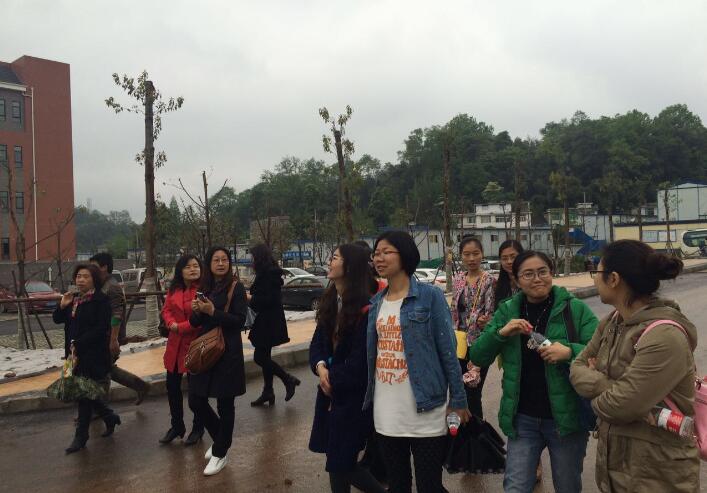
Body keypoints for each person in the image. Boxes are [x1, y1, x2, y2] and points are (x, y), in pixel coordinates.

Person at [570, 240, 700, 492]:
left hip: (657, 475)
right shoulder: (612, 322)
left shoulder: (663, 336)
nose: (594, 278)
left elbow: (620, 406)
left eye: (596, 271)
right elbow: (576, 368)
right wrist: (615, 389)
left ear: (613, 279)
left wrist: (597, 392)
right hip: (617, 470)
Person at [468, 250, 598, 492]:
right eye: (528, 274)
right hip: (523, 418)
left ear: (551, 273)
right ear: (516, 280)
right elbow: (477, 355)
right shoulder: (507, 311)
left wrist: (569, 351)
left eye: (542, 272)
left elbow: (602, 353)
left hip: (566, 419)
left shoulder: (575, 309)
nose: (537, 279)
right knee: (515, 487)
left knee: (567, 486)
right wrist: (500, 333)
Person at [363, 231, 470, 493]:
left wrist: (458, 400)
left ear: (405, 255)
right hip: (386, 412)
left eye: (386, 252)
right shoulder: (376, 303)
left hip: (426, 409)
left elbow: (448, 352)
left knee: (429, 485)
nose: (379, 258)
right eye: (376, 253)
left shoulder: (430, 296)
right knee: (397, 484)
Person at [309, 244, 386, 493]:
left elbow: (361, 362)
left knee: (341, 463)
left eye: (334, 258)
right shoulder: (331, 300)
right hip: (332, 393)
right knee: (338, 460)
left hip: (353, 398)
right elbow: (318, 343)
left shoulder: (367, 308)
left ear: (350, 266)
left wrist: (331, 378)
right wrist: (321, 367)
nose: (329, 262)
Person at [189, 246, 248, 476]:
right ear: (209, 264)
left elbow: (239, 320)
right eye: (216, 260)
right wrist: (197, 310)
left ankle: (221, 453)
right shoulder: (205, 287)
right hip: (206, 350)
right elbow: (196, 322)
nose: (221, 263)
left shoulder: (236, 287)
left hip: (227, 352)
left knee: (225, 404)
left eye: (225, 260)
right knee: (195, 400)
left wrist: (213, 311)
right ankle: (221, 440)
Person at [54, 264, 120, 454]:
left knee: (83, 394)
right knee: (85, 393)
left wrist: (79, 343)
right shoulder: (73, 299)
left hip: (93, 354)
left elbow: (101, 328)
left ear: (94, 280)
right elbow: (58, 320)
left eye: (85, 276)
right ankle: (109, 416)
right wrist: (62, 305)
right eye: (78, 276)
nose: (81, 280)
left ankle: (81, 436)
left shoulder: (101, 300)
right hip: (74, 355)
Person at [89, 253, 150, 405]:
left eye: (93, 266)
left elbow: (117, 314)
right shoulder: (101, 285)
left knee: (102, 372)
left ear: (104, 267)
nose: (90, 269)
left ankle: (101, 409)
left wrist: (114, 339)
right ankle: (141, 386)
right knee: (106, 368)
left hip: (109, 336)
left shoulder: (112, 287)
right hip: (102, 336)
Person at [159, 254, 204, 446]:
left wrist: (181, 327)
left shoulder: (203, 289)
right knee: (172, 387)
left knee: (196, 391)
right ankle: (176, 425)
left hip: (195, 344)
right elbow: (166, 310)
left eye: (196, 266)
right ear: (180, 270)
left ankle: (198, 428)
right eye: (188, 266)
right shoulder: (174, 289)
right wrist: (171, 324)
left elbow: (202, 318)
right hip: (175, 346)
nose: (193, 269)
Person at [248, 243, 299, 406]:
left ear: (259, 257)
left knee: (259, 357)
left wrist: (250, 299)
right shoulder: (268, 272)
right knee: (265, 357)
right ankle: (268, 391)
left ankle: (288, 379)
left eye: (253, 257)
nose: (251, 260)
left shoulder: (269, 274)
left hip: (268, 323)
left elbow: (270, 299)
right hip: (267, 321)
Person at [451, 236, 496, 419]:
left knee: (473, 390)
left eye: (475, 253)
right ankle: (463, 430)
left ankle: (477, 430)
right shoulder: (458, 279)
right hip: (459, 342)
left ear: (482, 254)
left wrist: (486, 319)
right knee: (459, 390)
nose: (471, 258)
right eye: (466, 254)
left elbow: (491, 311)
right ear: (461, 256)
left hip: (479, 343)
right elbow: (454, 310)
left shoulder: (489, 280)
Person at [494, 240, 524, 309]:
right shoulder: (497, 285)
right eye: (504, 258)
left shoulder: (531, 282)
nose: (509, 261)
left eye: (513, 257)